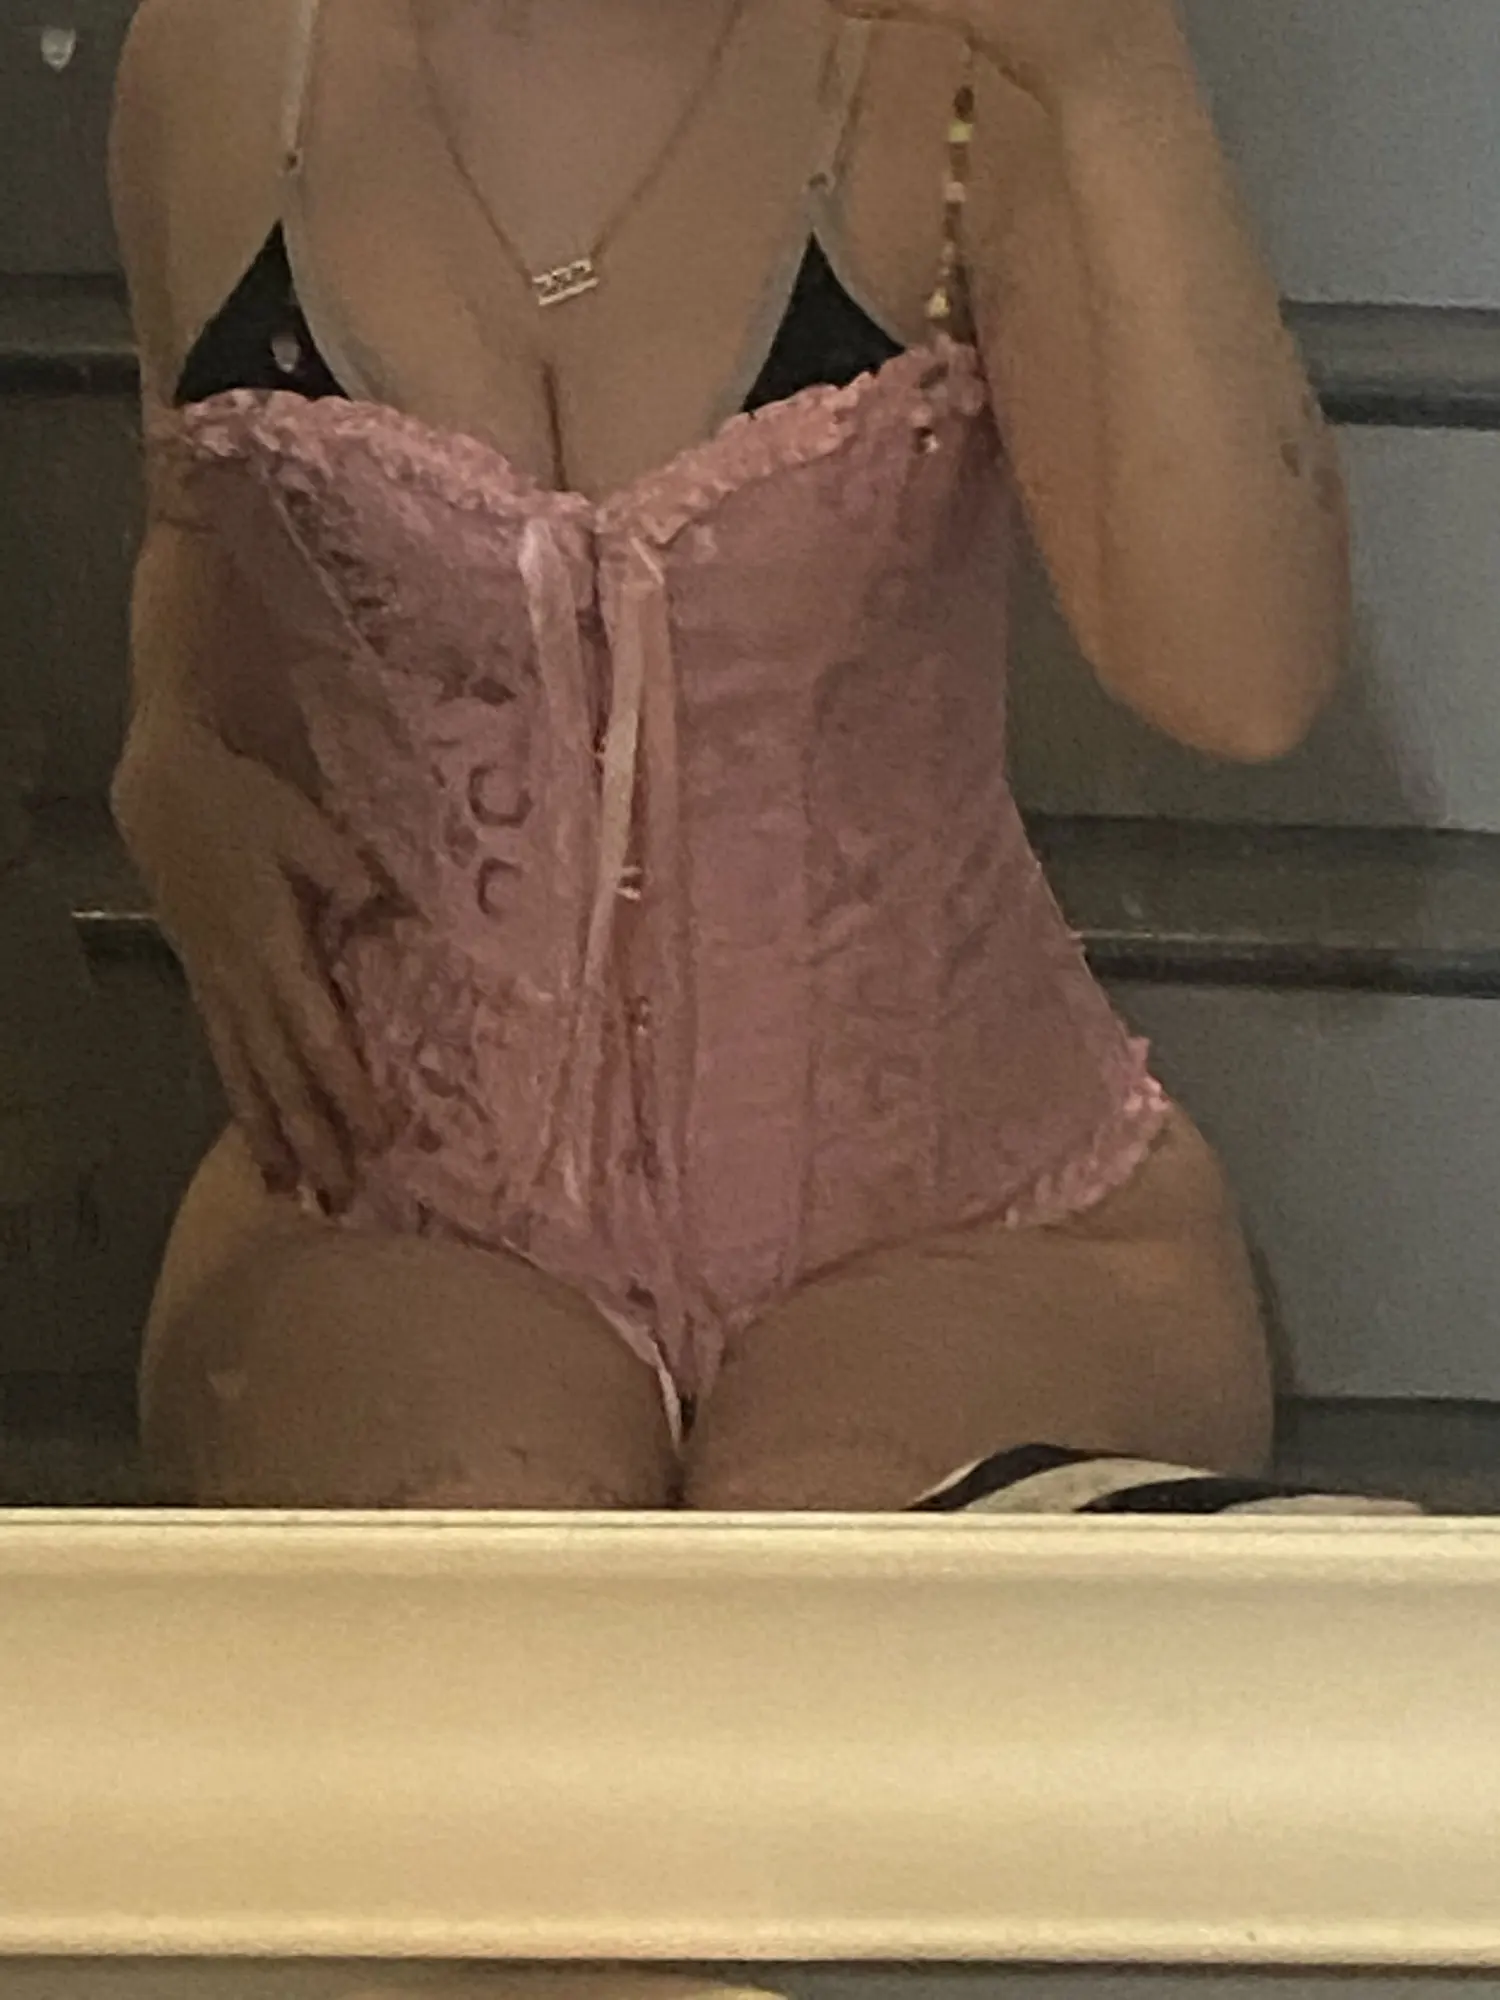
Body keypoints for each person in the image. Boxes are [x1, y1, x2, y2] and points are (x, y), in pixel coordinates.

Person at [107, 0, 1400, 1518]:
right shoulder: (220, 60)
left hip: (977, 1213)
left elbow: (1243, 685)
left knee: (825, 1595)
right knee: (501, 1576)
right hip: (401, 1198)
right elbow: (202, 516)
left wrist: (1118, 76)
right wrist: (169, 749)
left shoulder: (967, 75)